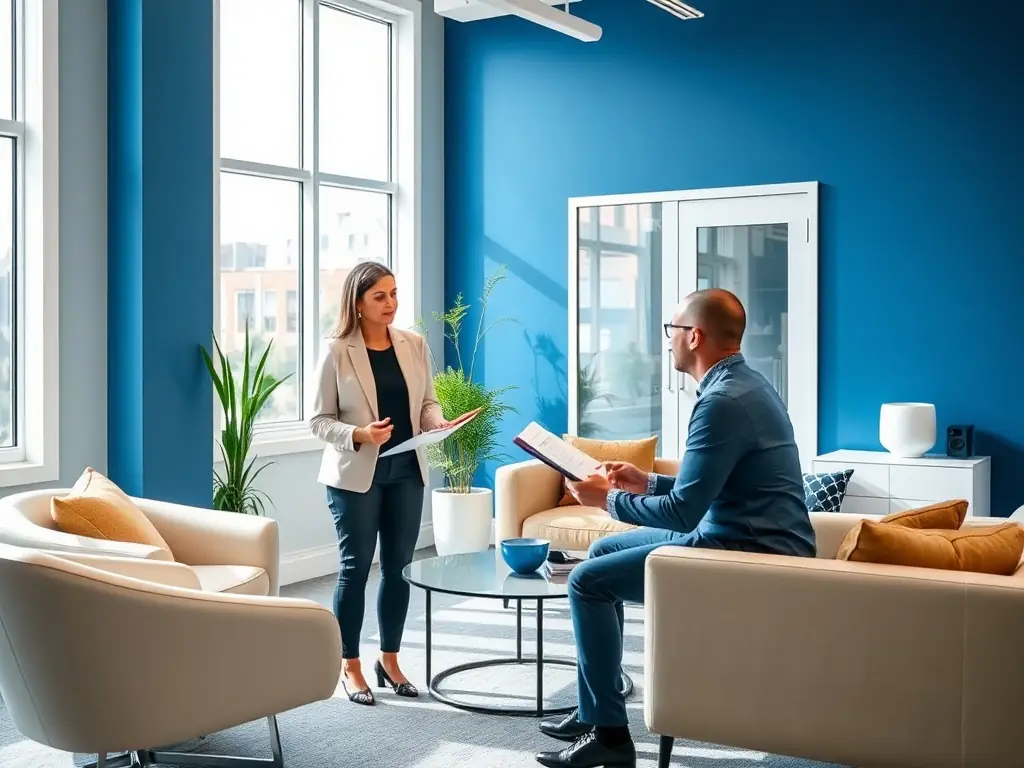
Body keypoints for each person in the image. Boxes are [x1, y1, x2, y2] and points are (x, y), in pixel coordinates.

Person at [535, 289, 816, 768]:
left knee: (585, 581)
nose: (668, 341)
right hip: (738, 531)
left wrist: (609, 499)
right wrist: (646, 481)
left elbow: (684, 513)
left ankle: (611, 738)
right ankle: (594, 708)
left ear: (695, 335)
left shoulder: (721, 402)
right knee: (602, 555)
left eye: (672, 330)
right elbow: (711, 485)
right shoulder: (746, 385)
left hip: (750, 552)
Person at [309, 261, 463, 707]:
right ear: (357, 302)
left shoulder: (413, 344)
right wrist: (359, 434)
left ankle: (389, 660)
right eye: (380, 296)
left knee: (398, 569)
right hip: (355, 476)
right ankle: (350, 665)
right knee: (356, 568)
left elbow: (428, 402)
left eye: (394, 294)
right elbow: (318, 421)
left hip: (406, 471)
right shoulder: (337, 350)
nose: (391, 303)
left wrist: (437, 423)